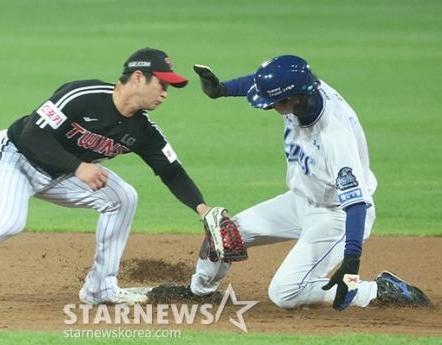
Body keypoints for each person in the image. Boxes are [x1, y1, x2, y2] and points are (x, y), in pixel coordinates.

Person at [0, 47, 214, 309]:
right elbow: (33, 134)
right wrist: (79, 166)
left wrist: (204, 210)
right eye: (162, 84)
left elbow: (171, 171)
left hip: (61, 174)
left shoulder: (143, 131)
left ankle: (100, 288)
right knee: (8, 221)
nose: (165, 93)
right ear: (137, 78)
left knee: (123, 197)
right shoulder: (84, 95)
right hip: (16, 157)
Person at [184, 55, 433, 310]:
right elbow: (266, 83)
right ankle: (199, 292)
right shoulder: (303, 89)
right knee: (224, 235)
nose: (267, 106)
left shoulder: (335, 137)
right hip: (301, 200)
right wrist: (223, 89)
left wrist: (351, 264)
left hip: (337, 217)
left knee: (285, 293)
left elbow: (357, 203)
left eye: (272, 102)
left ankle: (376, 290)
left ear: (291, 99)